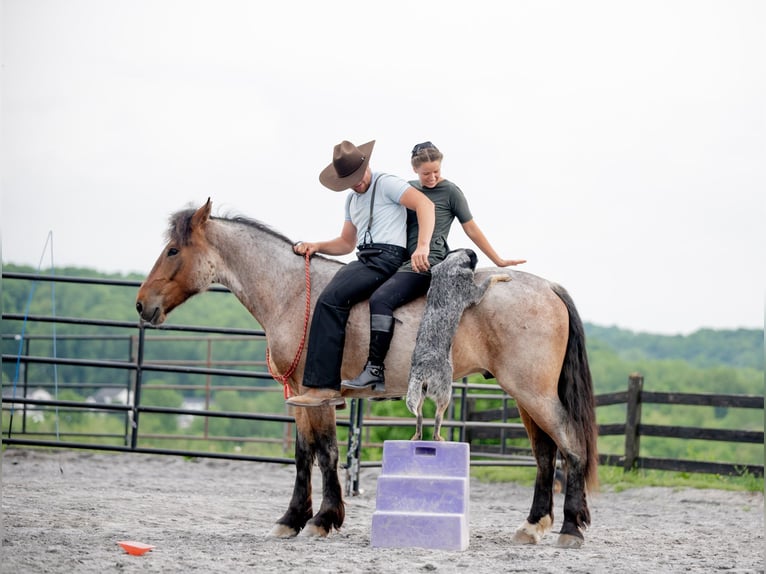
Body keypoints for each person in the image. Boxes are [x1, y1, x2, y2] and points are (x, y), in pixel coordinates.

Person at [341, 141, 526, 391]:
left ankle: (375, 368)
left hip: (428, 262)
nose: (433, 177)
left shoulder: (450, 192)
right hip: (401, 261)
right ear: (415, 169)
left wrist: (498, 260)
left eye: (437, 171)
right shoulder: (406, 189)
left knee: (381, 300)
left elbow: (471, 228)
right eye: (426, 173)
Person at [285, 140, 435, 408]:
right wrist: (317, 246)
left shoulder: (387, 183)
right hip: (364, 257)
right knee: (329, 296)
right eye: (348, 181)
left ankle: (323, 387)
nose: (355, 184)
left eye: (357, 178)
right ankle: (329, 381)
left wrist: (422, 246)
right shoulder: (352, 200)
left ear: (367, 166)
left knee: (330, 300)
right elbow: (346, 243)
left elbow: (425, 205)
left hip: (387, 257)